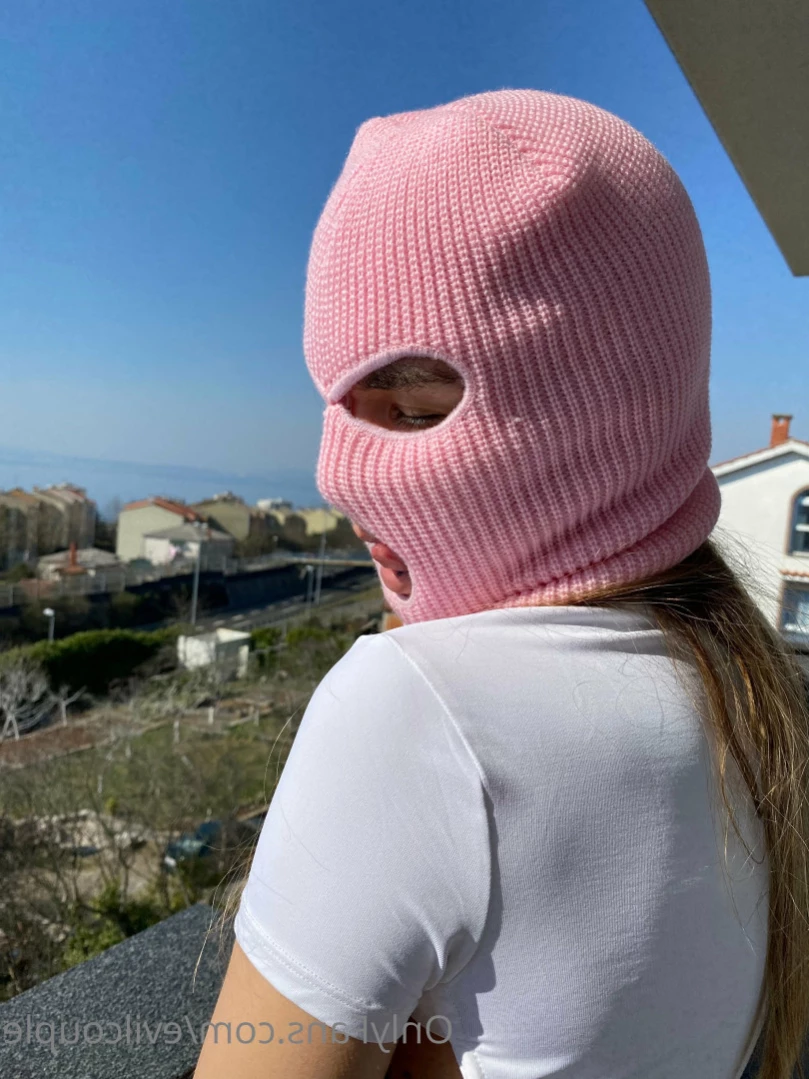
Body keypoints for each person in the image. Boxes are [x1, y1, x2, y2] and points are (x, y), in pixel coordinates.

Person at [193, 89, 809, 1079]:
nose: (340, 474)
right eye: (339, 403)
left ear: (604, 404)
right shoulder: (744, 688)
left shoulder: (417, 713)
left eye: (412, 410)